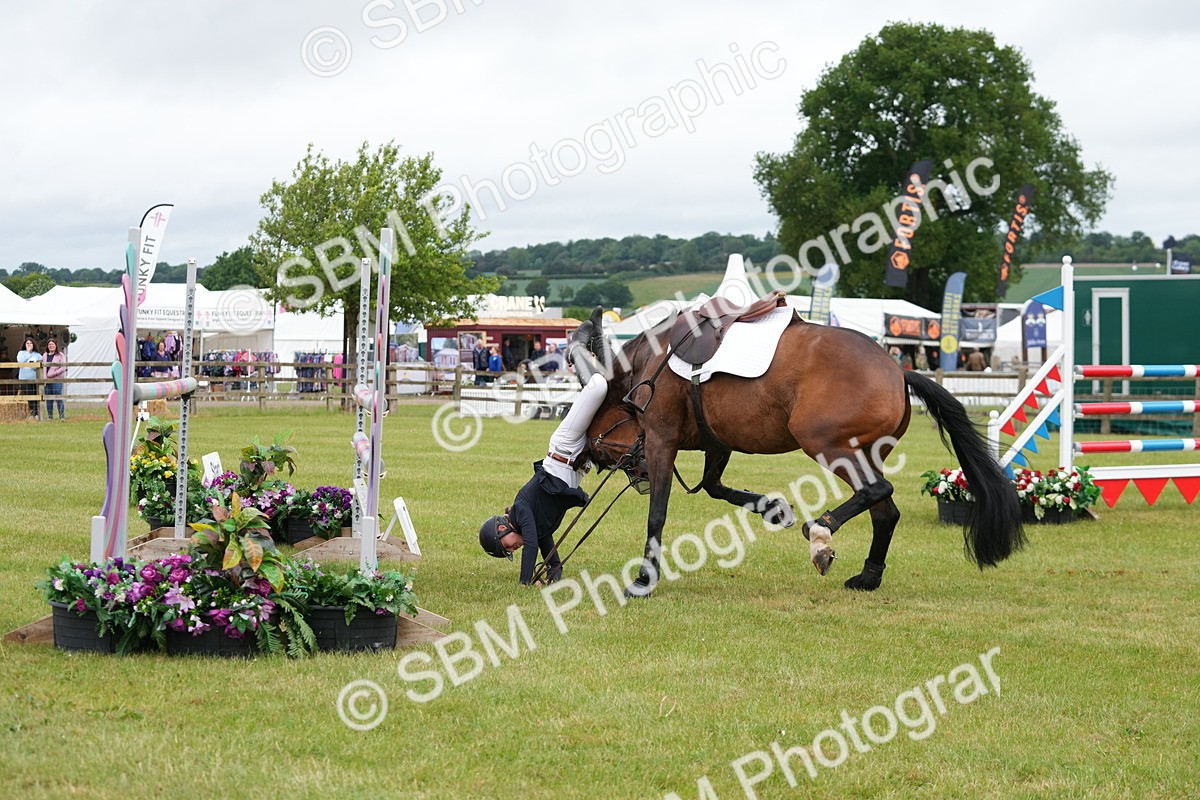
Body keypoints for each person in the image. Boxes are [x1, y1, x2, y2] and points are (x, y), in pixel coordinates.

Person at [478, 314, 613, 585]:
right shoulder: (538, 529)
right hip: (577, 462)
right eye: (509, 552)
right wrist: (551, 575)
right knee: (614, 385)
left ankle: (576, 348)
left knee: (599, 386)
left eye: (506, 546)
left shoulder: (521, 509)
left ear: (501, 528)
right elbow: (552, 559)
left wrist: (525, 583)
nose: (512, 550)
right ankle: (597, 339)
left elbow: (530, 547)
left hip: (564, 447)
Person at [17, 337, 42, 418]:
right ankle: (33, 413)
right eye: (27, 343)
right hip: (24, 379)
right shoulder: (21, 353)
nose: (29, 344)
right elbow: (20, 361)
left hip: (35, 379)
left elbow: (40, 364)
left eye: (30, 343)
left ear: (33, 344)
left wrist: (34, 365)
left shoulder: (37, 355)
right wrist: (28, 352)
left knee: (35, 395)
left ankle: (36, 413)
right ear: (25, 344)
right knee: (29, 395)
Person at [43, 339, 67, 420]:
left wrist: (54, 373)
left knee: (58, 397)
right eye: (49, 344)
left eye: (52, 344)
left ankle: (62, 416)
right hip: (47, 380)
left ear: (56, 345)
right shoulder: (45, 355)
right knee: (49, 399)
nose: (51, 346)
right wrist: (44, 377)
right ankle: (50, 417)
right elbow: (43, 368)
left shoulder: (60, 355)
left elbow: (63, 367)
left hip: (57, 380)